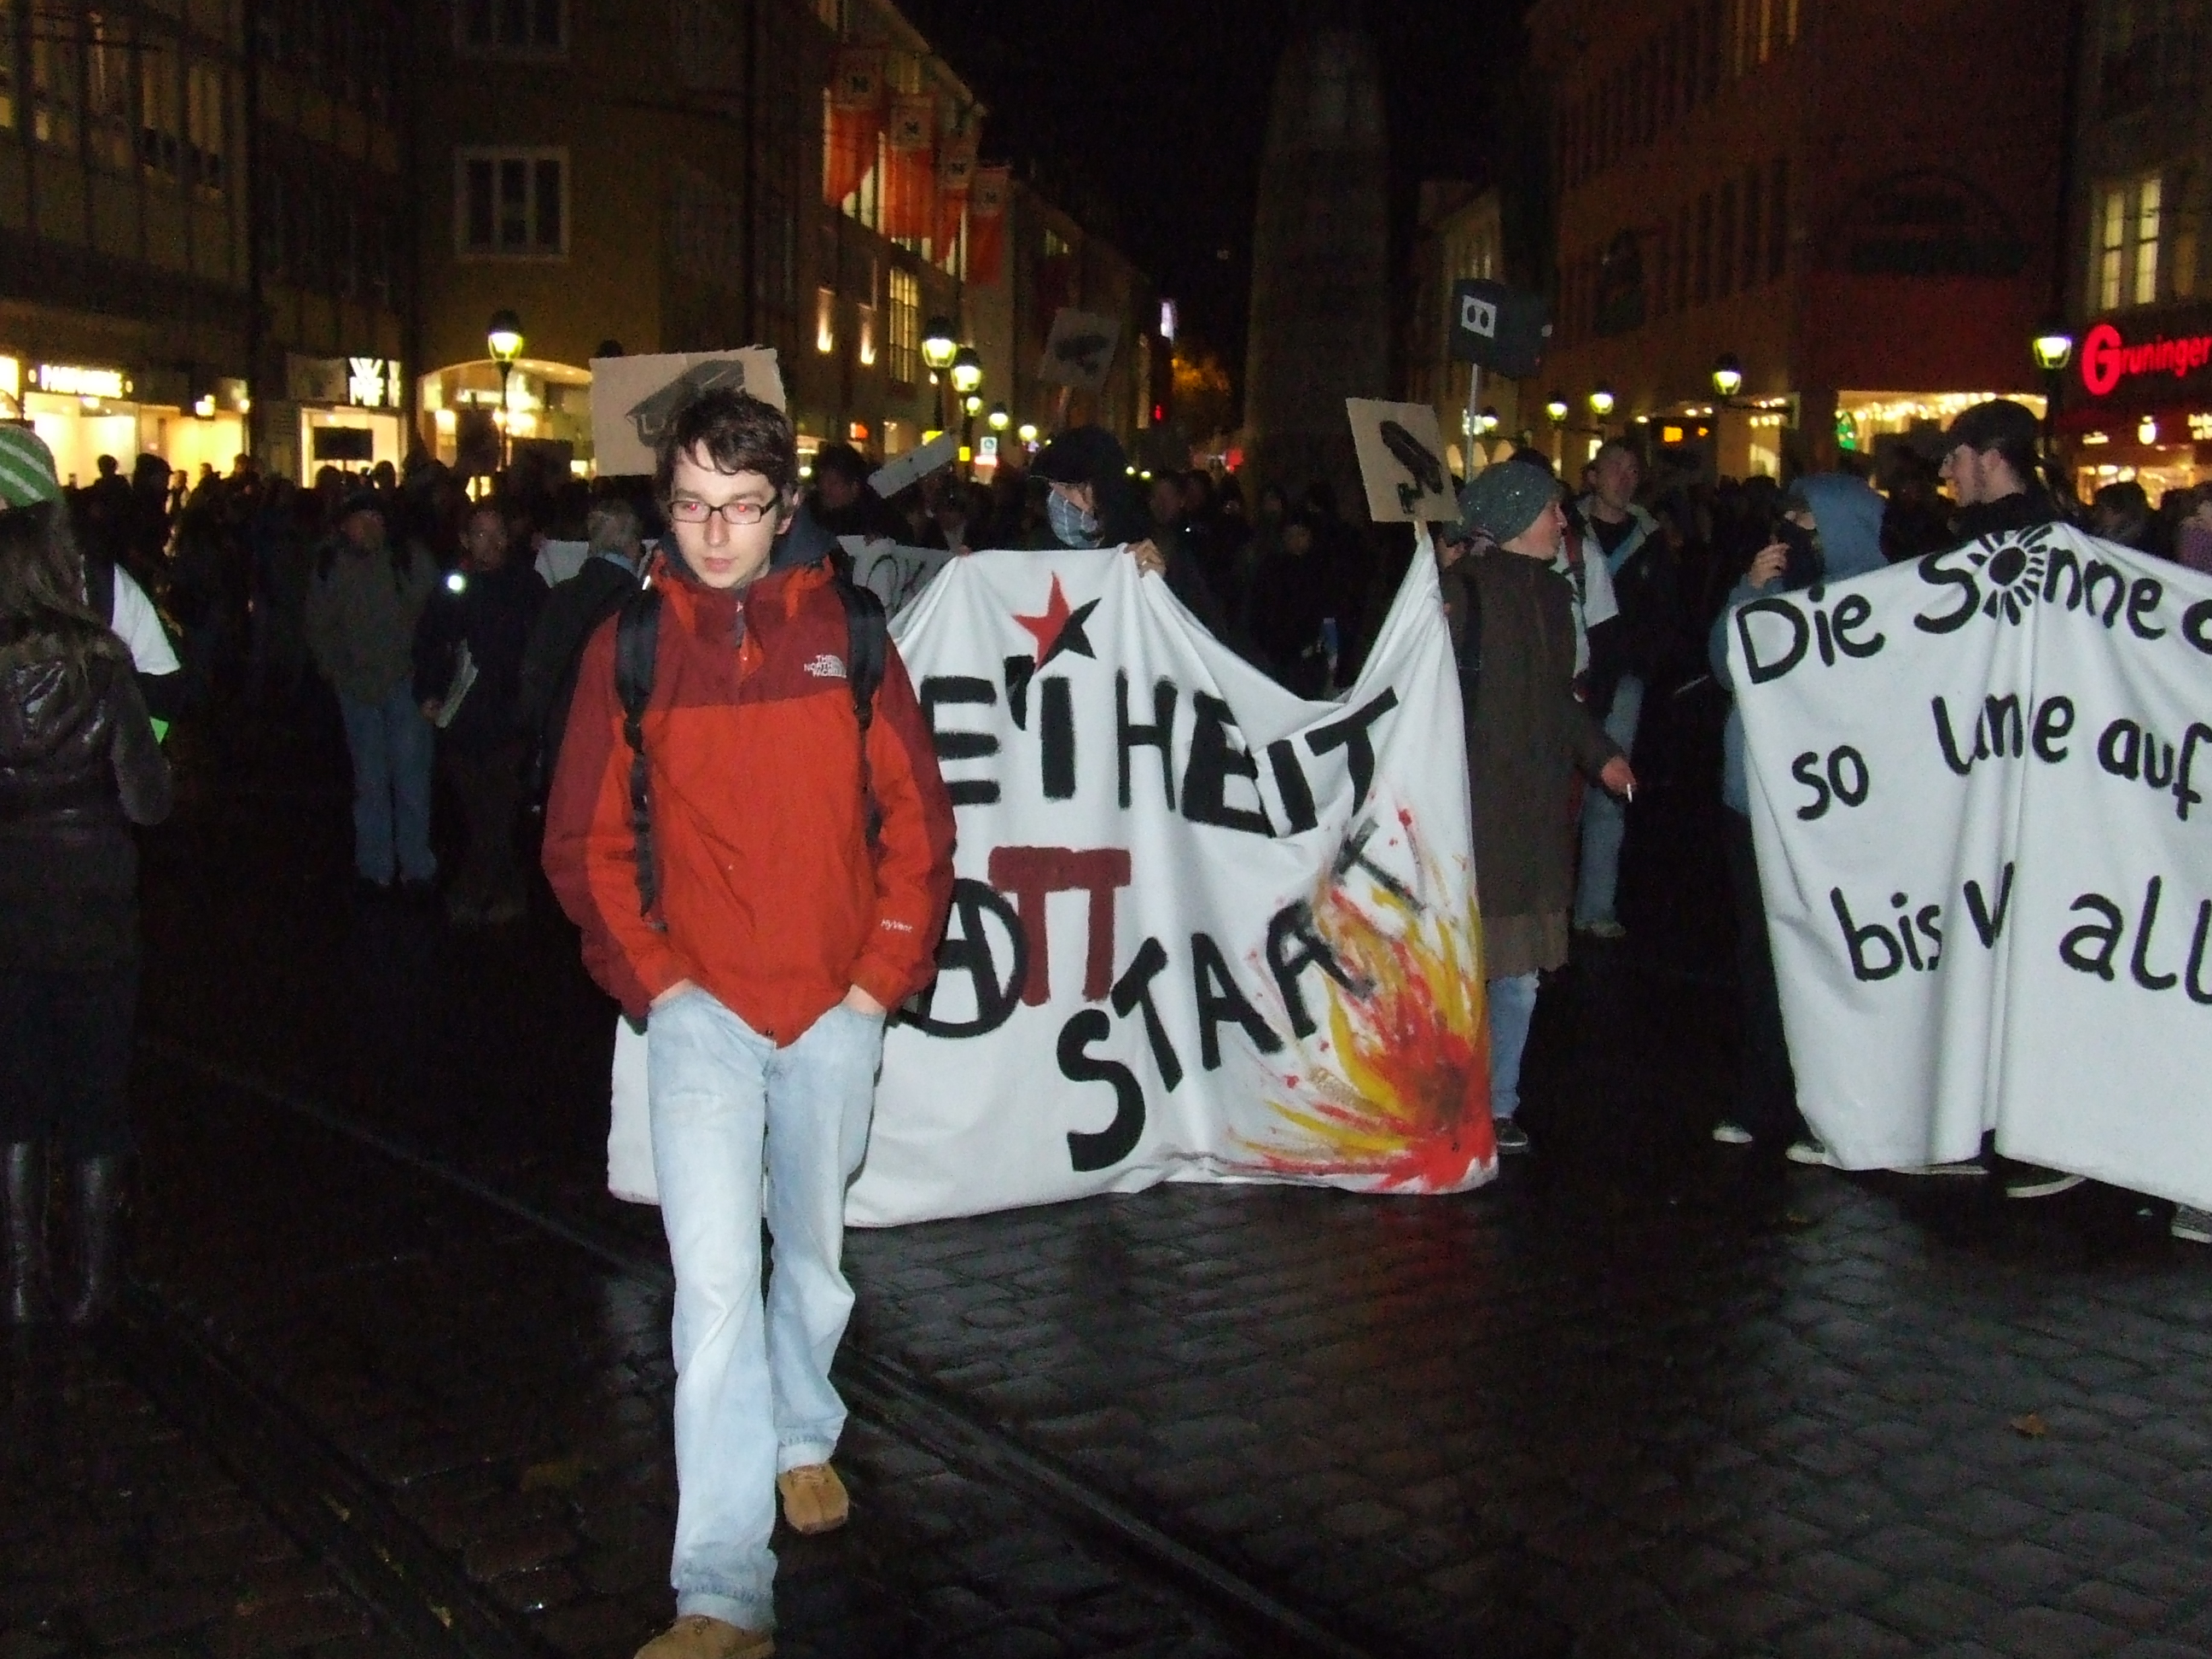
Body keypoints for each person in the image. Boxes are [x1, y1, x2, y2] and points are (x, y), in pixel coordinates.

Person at [543, 390, 954, 1659]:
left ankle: (801, 1429)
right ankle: (722, 1587)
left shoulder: (849, 633)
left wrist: (874, 985)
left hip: (832, 1008)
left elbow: (919, 824)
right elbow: (585, 844)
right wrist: (661, 987)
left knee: (811, 1257)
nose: (715, 533)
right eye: (692, 505)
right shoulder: (629, 646)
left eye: (740, 506)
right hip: (701, 1018)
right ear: (665, 507)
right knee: (714, 1290)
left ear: (783, 510)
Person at [0, 428, 173, 1328]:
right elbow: (149, 801)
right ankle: (94, 1287)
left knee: (17, 1097)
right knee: (98, 1094)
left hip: (9, 905)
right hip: (97, 903)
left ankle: (20, 1282)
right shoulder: (103, 660)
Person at [1439, 460, 1633, 1155]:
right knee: (1465, 961)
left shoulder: (1554, 596)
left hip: (1535, 808)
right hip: (1474, 805)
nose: (1562, 522)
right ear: (1519, 518)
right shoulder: (1461, 592)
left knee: (1520, 975)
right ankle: (1451, 1099)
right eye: (1552, 510)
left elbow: (1556, 698)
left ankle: (1499, 1104)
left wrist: (1600, 754)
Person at [1708, 474, 1885, 1161]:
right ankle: (1763, 1098)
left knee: (1832, 961)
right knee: (1762, 958)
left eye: (1806, 523)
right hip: (1754, 803)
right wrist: (1748, 593)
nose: (1791, 535)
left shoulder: (1880, 600)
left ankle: (1836, 1109)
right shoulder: (1773, 595)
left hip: (1830, 812)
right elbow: (1727, 664)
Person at [414, 503, 547, 926]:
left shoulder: (527, 586)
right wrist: (429, 693)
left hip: (510, 718)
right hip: (464, 717)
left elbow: (541, 650)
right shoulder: (453, 587)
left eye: (497, 534)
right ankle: (491, 887)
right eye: (481, 534)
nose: (491, 544)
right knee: (476, 809)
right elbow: (430, 643)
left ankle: (486, 889)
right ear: (466, 540)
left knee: (500, 808)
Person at [1572, 439, 1682, 940]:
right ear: (1593, 475)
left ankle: (1595, 906)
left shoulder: (1650, 542)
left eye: (1633, 470)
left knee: (1611, 790)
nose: (1624, 477)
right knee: (1559, 792)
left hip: (1621, 684)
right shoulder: (1564, 530)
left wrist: (1640, 664)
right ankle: (1551, 907)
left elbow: (1666, 614)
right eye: (1615, 467)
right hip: (1568, 678)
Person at [306, 492, 438, 899]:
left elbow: (434, 613)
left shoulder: (408, 558)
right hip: (356, 687)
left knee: (411, 777)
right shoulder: (330, 562)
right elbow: (318, 622)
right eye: (360, 520)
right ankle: (375, 863)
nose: (368, 528)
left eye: (375, 519)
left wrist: (429, 672)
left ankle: (416, 862)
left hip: (405, 682)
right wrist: (334, 669)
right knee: (370, 780)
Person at [517, 494, 649, 811]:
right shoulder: (640, 606)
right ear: (633, 547)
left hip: (562, 739)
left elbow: (534, 673)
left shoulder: (560, 596)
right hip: (617, 747)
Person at [1936, 399, 2058, 541]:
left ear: (1991, 459)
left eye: (1955, 458)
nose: (1944, 473)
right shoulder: (2054, 525)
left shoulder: (1985, 535)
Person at [806, 442, 903, 543]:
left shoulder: (881, 519)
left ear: (854, 486)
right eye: (821, 481)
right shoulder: (809, 514)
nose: (825, 488)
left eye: (833, 482)